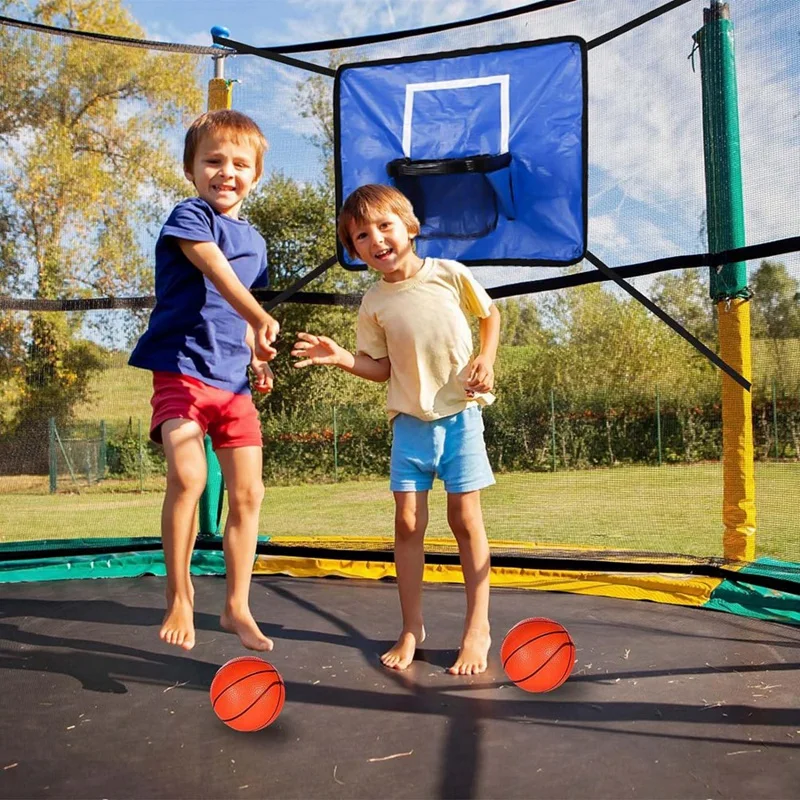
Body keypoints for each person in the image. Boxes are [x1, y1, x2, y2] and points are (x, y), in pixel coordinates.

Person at [292, 184, 500, 675]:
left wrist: (485, 360)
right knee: (407, 523)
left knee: (464, 519)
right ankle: (412, 626)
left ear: (409, 226)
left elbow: (490, 317)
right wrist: (342, 358)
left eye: (384, 226)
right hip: (410, 421)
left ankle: (478, 628)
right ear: (355, 249)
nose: (375, 239)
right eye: (361, 235)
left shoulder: (449, 275)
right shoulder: (373, 303)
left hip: (460, 415)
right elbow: (380, 367)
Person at [129, 109, 279, 652]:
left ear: (255, 176)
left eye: (240, 164)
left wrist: (257, 355)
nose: (226, 172)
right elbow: (212, 266)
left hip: (232, 385)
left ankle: (236, 603)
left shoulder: (257, 243)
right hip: (183, 372)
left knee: (248, 493)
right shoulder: (191, 216)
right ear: (191, 168)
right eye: (213, 160)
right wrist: (261, 316)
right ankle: (180, 595)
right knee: (189, 479)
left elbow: (241, 316)